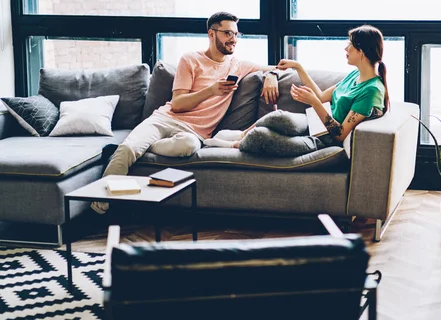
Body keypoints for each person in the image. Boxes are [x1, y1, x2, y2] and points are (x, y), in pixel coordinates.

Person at [93, 11, 281, 214]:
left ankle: (145, 146)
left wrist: (271, 75)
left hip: (194, 133)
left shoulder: (238, 65)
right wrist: (211, 91)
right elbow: (178, 104)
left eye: (236, 34)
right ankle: (98, 208)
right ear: (212, 34)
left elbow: (278, 67)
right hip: (164, 120)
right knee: (128, 149)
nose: (233, 39)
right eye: (227, 33)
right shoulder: (190, 60)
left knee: (188, 146)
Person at [204, 25, 389, 157]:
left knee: (261, 137)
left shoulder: (371, 91)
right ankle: (242, 134)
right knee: (278, 117)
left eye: (350, 44)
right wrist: (298, 67)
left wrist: (314, 103)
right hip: (315, 123)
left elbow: (340, 134)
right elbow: (323, 96)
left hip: (324, 140)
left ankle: (234, 144)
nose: (345, 48)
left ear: (362, 51)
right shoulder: (354, 75)